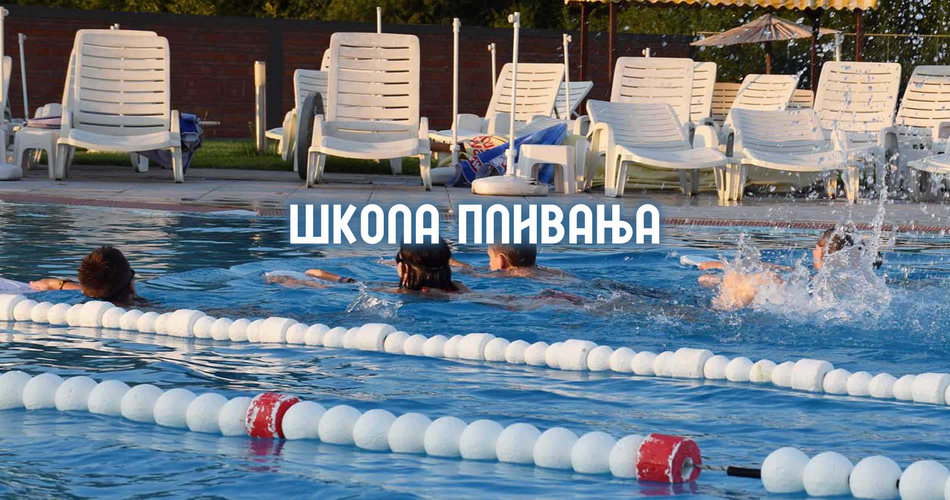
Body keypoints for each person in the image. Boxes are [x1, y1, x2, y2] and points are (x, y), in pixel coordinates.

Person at [697, 227, 881, 310]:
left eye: (815, 249)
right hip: (811, 305)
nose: (813, 252)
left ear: (822, 253)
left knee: (763, 280)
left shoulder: (819, 282)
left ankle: (723, 284)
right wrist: (721, 265)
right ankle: (723, 282)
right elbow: (787, 268)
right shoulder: (855, 281)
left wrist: (727, 271)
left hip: (794, 307)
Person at [301, 239, 469, 294]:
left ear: (405, 268)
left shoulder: (401, 292)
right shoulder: (459, 288)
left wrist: (329, 277)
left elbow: (360, 287)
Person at [29, 246, 139, 304]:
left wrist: (53, 284)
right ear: (130, 286)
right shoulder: (139, 310)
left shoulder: (81, 302)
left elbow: (85, 291)